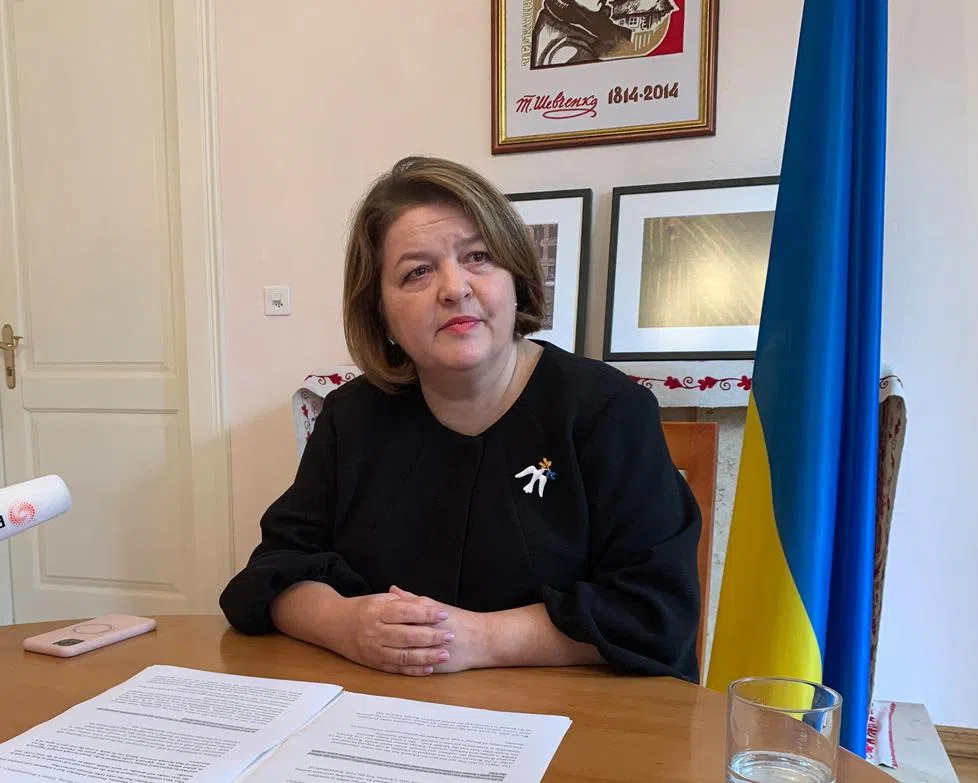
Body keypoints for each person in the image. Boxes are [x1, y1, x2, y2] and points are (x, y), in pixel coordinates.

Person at [219, 157, 702, 681]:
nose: (454, 288)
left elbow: (656, 612)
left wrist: (479, 638)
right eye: (417, 272)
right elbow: (268, 576)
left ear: (516, 279)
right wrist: (345, 624)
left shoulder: (609, 410)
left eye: (478, 257)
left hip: (573, 712)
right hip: (387, 709)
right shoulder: (350, 417)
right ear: (380, 312)